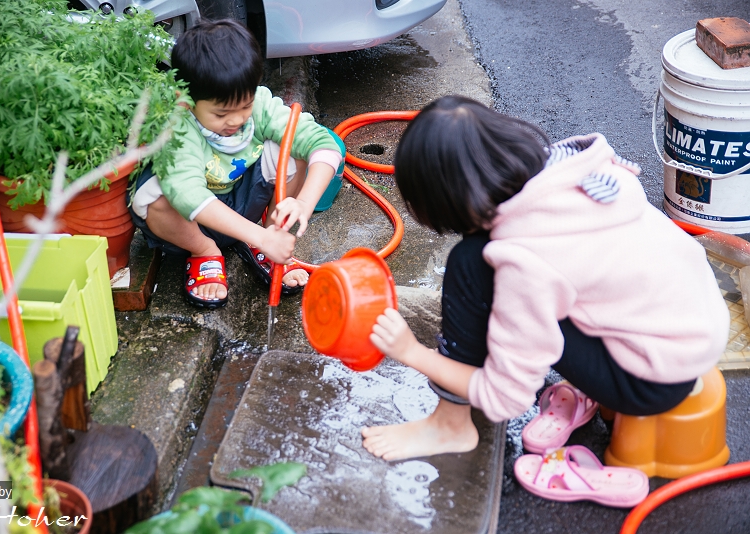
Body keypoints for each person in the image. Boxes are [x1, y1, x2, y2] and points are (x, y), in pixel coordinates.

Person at [361, 95, 729, 461]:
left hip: (651, 381)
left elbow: (503, 397)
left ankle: (450, 427)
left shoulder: (528, 260)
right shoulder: (573, 170)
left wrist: (411, 352)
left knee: (470, 263)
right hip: (695, 333)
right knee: (488, 262)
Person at [128, 19, 342, 308]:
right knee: (150, 194)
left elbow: (323, 144)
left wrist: (303, 204)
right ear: (186, 99)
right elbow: (188, 195)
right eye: (221, 114)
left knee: (292, 148)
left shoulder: (259, 106)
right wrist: (257, 234)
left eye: (245, 106)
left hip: (242, 203)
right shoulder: (177, 123)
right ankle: (205, 251)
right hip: (188, 220)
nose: (236, 120)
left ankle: (264, 243)